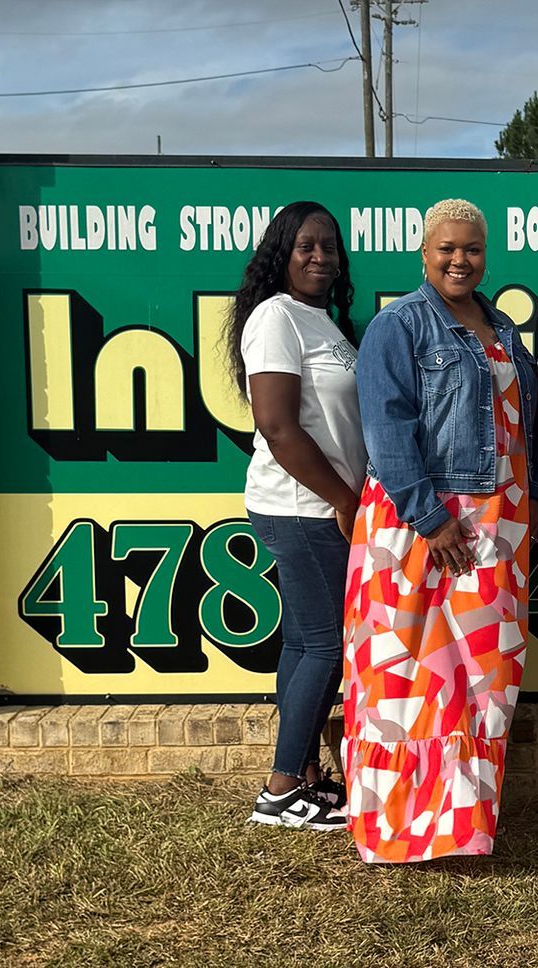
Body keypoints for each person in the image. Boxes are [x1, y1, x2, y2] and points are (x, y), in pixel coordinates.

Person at [341, 198, 538, 863]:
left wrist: (533, 502)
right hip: (421, 523)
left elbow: (522, 428)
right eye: (447, 249)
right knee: (403, 673)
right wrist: (430, 519)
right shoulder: (398, 324)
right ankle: (395, 831)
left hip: (498, 523)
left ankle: (463, 829)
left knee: (484, 676)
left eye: (473, 249)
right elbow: (386, 429)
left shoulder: (502, 326)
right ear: (424, 253)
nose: (461, 260)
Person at [229, 201, 363, 831]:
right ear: (281, 252)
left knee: (304, 642)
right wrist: (344, 499)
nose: (320, 257)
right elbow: (278, 426)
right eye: (306, 245)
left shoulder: (321, 320)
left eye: (329, 246)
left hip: (317, 504)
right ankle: (281, 790)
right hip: (303, 506)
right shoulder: (275, 317)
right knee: (328, 645)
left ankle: (305, 776)